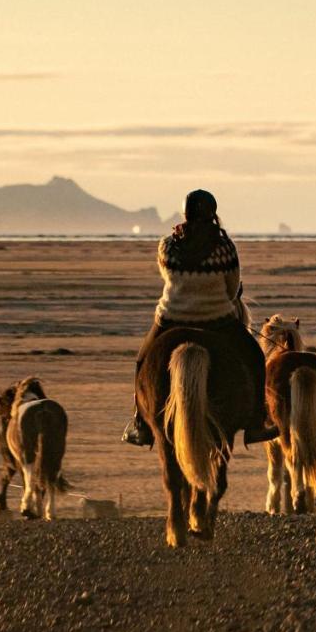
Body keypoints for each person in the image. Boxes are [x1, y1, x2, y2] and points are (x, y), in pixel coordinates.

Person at [123, 189, 276, 447]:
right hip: (217, 319)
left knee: (142, 361)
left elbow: (169, 279)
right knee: (255, 357)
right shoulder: (225, 248)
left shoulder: (167, 245)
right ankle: (257, 422)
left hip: (171, 319)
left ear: (186, 213)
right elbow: (232, 288)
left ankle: (141, 423)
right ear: (213, 213)